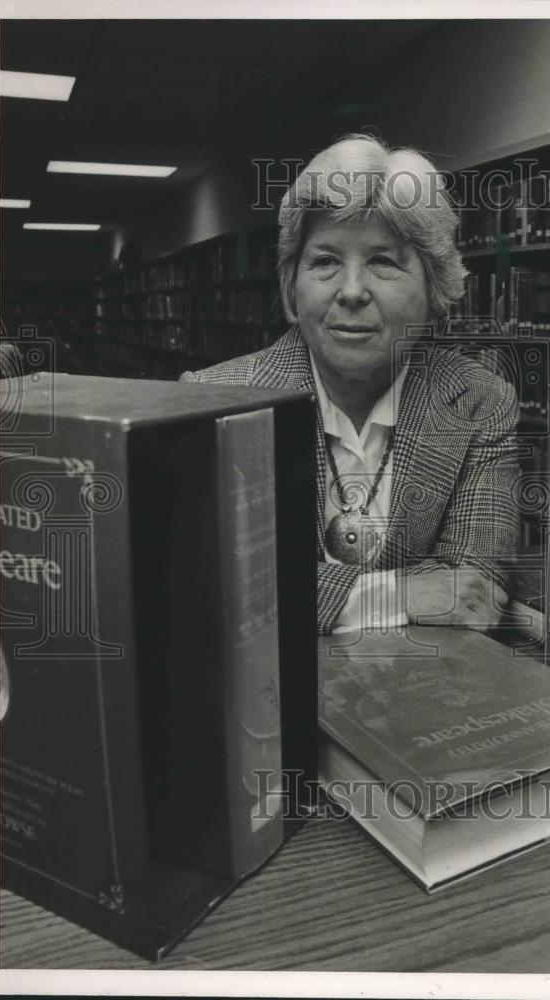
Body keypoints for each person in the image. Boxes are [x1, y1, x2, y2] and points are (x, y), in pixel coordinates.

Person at [181, 134, 520, 635]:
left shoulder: (481, 401)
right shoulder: (209, 403)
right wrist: (400, 593)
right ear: (292, 287)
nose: (352, 291)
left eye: (383, 261)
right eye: (325, 261)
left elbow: (475, 586)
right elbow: (209, 590)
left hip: (423, 696)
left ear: (434, 289)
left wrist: (302, 591)